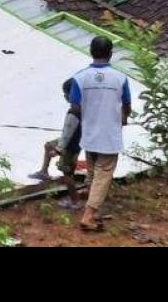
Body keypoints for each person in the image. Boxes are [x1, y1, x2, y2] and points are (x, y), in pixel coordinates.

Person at [68, 36, 132, 231]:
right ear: (111, 54)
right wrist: (123, 117)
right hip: (109, 135)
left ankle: (92, 205)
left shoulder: (80, 77)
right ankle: (88, 216)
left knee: (93, 170)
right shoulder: (120, 78)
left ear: (91, 52)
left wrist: (89, 115)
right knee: (103, 173)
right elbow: (127, 104)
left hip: (90, 132)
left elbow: (74, 105)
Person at [28, 79, 82, 208]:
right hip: (73, 142)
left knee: (67, 173)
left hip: (69, 146)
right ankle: (44, 172)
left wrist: (58, 150)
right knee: (48, 145)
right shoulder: (83, 108)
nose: (65, 96)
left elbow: (67, 134)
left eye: (66, 93)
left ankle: (75, 201)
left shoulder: (74, 112)